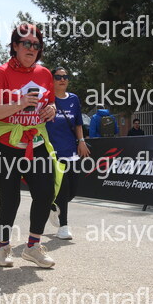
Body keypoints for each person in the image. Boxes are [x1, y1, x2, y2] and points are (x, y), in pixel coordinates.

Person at [0, 23, 61, 269]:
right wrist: (19, 103)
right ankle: (4, 248)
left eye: (36, 45)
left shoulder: (45, 74)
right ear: (15, 46)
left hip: (35, 143)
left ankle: (32, 247)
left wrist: (52, 109)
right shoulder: (1, 73)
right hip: (5, 146)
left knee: (45, 193)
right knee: (10, 200)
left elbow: (50, 102)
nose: (32, 48)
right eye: (26, 43)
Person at [45, 67, 90, 240]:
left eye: (65, 77)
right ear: (52, 80)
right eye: (58, 77)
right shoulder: (46, 100)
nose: (62, 79)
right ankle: (63, 227)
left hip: (71, 150)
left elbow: (78, 123)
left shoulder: (73, 99)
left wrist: (81, 141)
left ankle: (52, 207)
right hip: (53, 152)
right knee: (63, 190)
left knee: (72, 191)